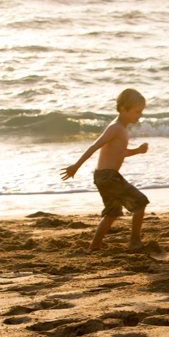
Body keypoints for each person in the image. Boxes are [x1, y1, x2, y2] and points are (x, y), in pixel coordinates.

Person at [60, 88, 150, 250]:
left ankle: (94, 246)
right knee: (140, 202)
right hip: (108, 177)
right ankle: (134, 241)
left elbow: (120, 153)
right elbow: (94, 146)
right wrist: (76, 166)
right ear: (123, 110)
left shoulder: (122, 128)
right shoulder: (115, 128)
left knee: (112, 213)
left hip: (105, 176)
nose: (140, 115)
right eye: (138, 111)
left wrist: (137, 151)